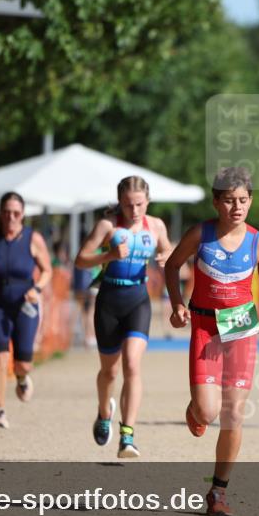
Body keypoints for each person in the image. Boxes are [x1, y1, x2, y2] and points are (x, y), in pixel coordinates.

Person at [165, 167, 259, 516]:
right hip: (205, 326)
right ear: (216, 202)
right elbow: (172, 266)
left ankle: (218, 492)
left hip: (241, 329)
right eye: (230, 201)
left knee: (233, 412)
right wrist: (177, 303)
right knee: (208, 411)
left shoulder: (257, 241)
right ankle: (195, 409)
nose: (237, 207)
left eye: (243, 200)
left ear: (250, 201)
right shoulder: (200, 234)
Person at [75, 177, 172, 459]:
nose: (134, 211)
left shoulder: (155, 225)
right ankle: (104, 412)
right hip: (109, 302)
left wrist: (167, 255)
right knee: (110, 372)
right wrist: (108, 255)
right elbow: (81, 259)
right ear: (120, 202)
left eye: (139, 204)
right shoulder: (108, 226)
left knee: (132, 364)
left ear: (148, 202)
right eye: (128, 205)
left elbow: (168, 249)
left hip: (138, 301)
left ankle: (127, 435)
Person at [0, 192, 53, 429]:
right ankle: (0, 411)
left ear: (23, 214)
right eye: (7, 212)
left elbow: (47, 271)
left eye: (16, 213)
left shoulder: (33, 239)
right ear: (0, 214)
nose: (11, 217)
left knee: (22, 363)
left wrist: (37, 288)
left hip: (26, 304)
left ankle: (23, 376)